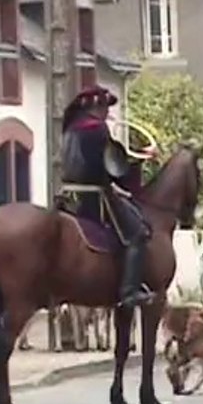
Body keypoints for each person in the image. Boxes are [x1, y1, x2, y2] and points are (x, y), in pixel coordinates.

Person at [60, 85, 154, 308]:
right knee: (137, 233)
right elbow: (113, 169)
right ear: (95, 106)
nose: (107, 112)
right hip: (95, 197)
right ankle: (129, 291)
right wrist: (141, 162)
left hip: (71, 195)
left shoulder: (71, 129)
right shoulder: (97, 130)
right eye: (104, 107)